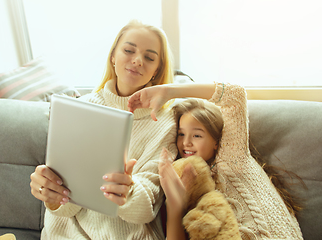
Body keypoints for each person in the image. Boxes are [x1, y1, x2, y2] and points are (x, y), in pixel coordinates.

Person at [30, 20, 179, 239]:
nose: (137, 60)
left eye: (149, 57)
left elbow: (148, 206)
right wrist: (51, 193)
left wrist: (129, 192)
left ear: (157, 70)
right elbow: (65, 196)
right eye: (129, 50)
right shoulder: (81, 106)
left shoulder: (165, 121)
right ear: (112, 57)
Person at [127, 82, 304, 239]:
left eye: (197, 135)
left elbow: (235, 95)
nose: (186, 142)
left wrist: (169, 91)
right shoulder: (182, 179)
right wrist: (175, 205)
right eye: (181, 134)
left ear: (216, 141)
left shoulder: (232, 158)